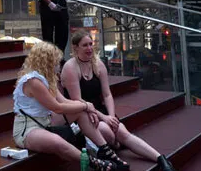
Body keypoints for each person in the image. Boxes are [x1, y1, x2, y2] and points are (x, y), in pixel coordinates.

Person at [62, 31, 177, 171]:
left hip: (100, 110)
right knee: (107, 131)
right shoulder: (70, 67)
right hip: (82, 113)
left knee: (122, 132)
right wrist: (104, 118)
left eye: (91, 44)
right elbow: (77, 100)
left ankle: (161, 159)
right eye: (85, 45)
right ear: (75, 48)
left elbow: (107, 95)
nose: (89, 48)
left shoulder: (98, 64)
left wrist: (111, 116)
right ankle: (116, 145)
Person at [12, 42, 124, 171]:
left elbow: (64, 100)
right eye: (56, 61)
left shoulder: (47, 78)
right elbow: (57, 107)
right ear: (46, 61)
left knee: (80, 111)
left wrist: (85, 106)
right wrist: (85, 106)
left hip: (46, 121)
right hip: (27, 129)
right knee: (56, 141)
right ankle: (94, 162)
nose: (58, 65)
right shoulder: (33, 81)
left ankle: (105, 150)